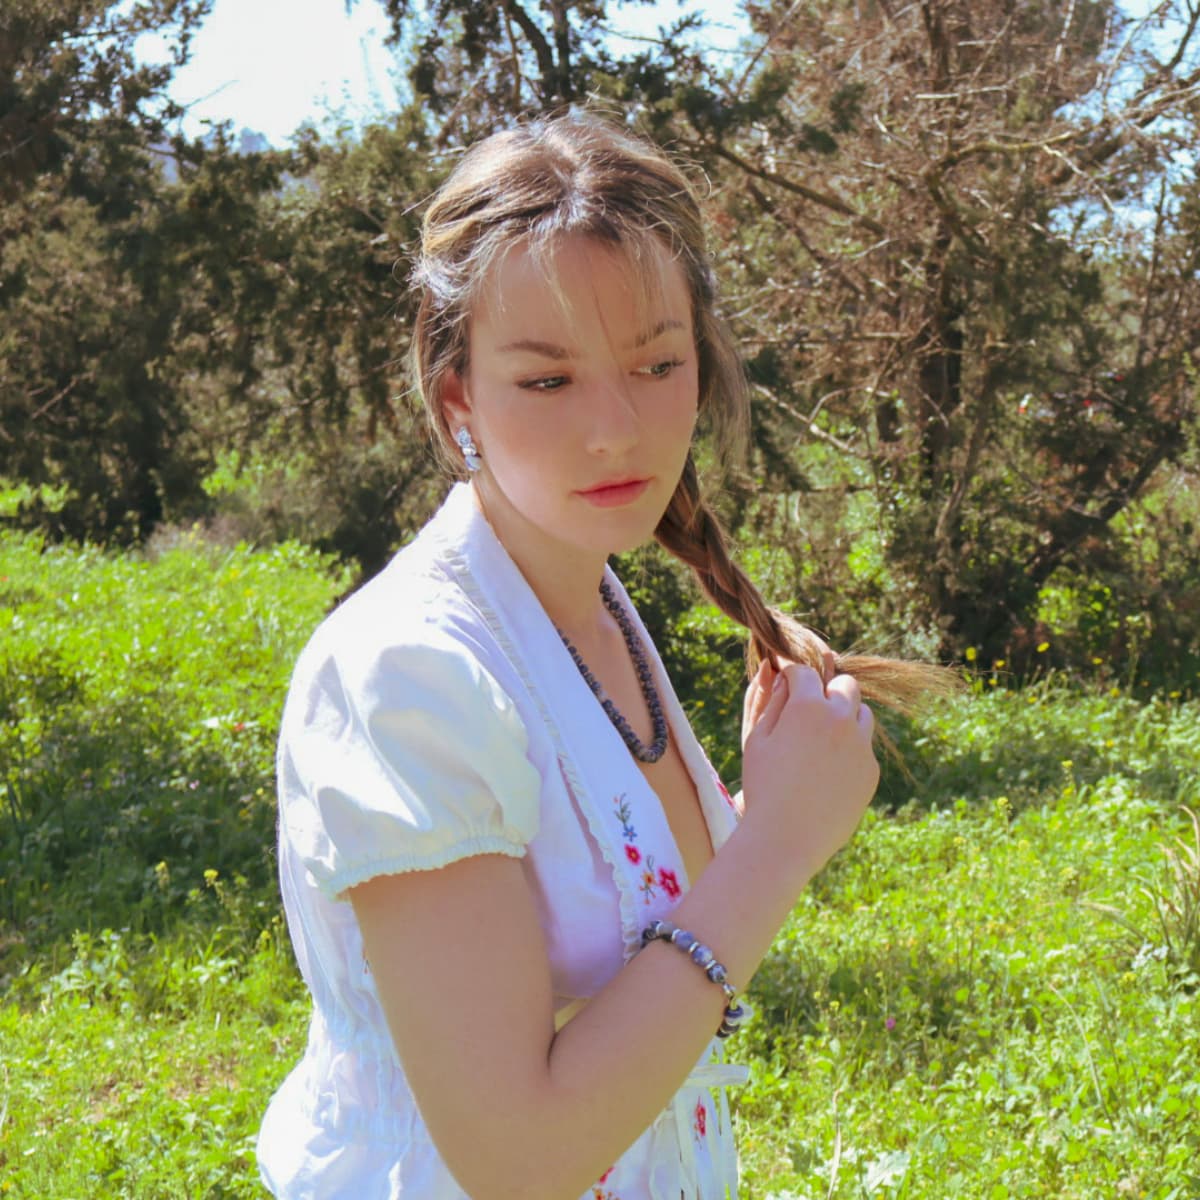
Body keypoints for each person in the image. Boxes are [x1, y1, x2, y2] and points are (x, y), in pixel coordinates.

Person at [257, 111, 940, 1200]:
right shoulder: (408, 675)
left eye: (656, 363)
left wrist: (765, 807)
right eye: (548, 381)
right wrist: (775, 847)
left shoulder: (593, 606)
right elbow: (518, 1157)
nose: (617, 428)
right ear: (457, 398)